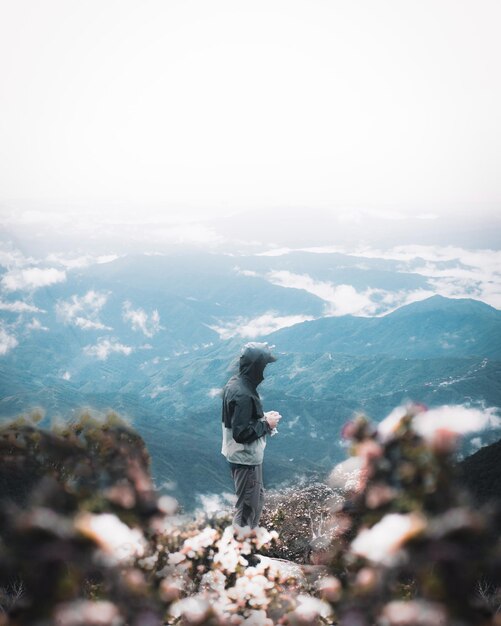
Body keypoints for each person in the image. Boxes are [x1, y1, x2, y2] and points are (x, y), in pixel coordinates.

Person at [221, 342, 281, 530]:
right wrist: (266, 424)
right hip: (245, 458)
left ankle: (246, 549)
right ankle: (240, 554)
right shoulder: (244, 394)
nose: (264, 369)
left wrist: (262, 418)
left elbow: (240, 421)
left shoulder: (236, 384)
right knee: (247, 507)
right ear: (256, 366)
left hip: (243, 457)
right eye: (263, 365)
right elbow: (241, 433)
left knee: (255, 501)